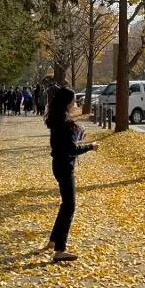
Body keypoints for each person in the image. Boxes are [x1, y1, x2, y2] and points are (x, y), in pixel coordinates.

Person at [45, 86, 98, 262]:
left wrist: (77, 136)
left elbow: (66, 143)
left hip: (58, 164)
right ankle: (60, 250)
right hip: (64, 165)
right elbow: (71, 148)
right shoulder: (65, 121)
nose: (76, 102)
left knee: (66, 204)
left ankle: (53, 240)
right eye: (74, 100)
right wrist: (91, 146)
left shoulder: (57, 118)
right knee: (70, 206)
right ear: (68, 102)